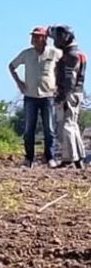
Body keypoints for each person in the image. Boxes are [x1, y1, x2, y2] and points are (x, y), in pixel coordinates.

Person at [9, 26, 61, 167]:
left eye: (38, 36)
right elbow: (11, 66)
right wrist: (19, 82)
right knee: (28, 129)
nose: (34, 39)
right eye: (33, 36)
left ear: (44, 38)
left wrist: (59, 85)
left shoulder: (54, 53)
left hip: (48, 95)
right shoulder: (26, 54)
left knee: (49, 129)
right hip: (30, 95)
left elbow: (63, 68)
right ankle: (29, 159)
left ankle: (50, 158)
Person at [51, 24, 87, 169]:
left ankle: (69, 158)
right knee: (73, 125)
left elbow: (69, 78)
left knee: (65, 126)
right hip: (77, 93)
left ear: (66, 37)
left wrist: (63, 95)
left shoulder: (70, 56)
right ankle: (78, 157)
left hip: (69, 93)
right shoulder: (78, 53)